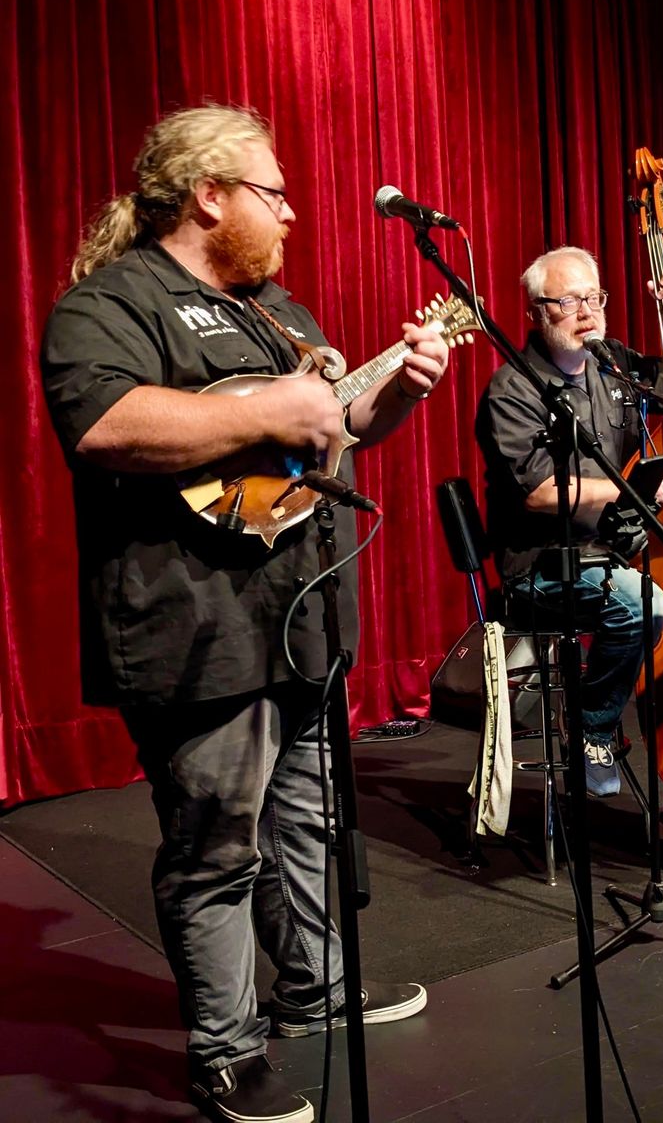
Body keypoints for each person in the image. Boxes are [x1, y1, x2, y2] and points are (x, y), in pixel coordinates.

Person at [40, 105, 449, 1123]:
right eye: (273, 192)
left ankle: (315, 993)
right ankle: (224, 1052)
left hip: (298, 612)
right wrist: (269, 409)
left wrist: (395, 394)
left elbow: (333, 429)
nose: (292, 211)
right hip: (192, 625)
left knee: (306, 819)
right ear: (208, 194)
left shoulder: (279, 310)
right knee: (218, 844)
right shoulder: (113, 302)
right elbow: (102, 423)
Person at [476, 245, 663, 847]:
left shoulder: (610, 363)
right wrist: (636, 490)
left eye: (595, 298)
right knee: (646, 607)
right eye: (570, 300)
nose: (587, 312)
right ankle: (595, 729)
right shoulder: (513, 389)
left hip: (615, 553)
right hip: (542, 567)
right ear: (536, 311)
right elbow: (537, 492)